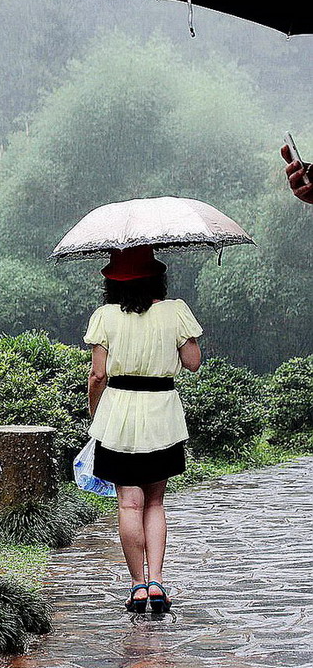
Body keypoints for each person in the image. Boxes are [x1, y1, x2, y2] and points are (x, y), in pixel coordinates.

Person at [84, 245, 202, 614]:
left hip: (117, 414)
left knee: (128, 503)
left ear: (113, 284)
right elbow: (193, 363)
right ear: (157, 278)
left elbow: (98, 375)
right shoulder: (176, 310)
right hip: (161, 416)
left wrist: (94, 414)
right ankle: (157, 582)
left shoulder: (105, 316)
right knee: (155, 502)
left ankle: (136, 585)